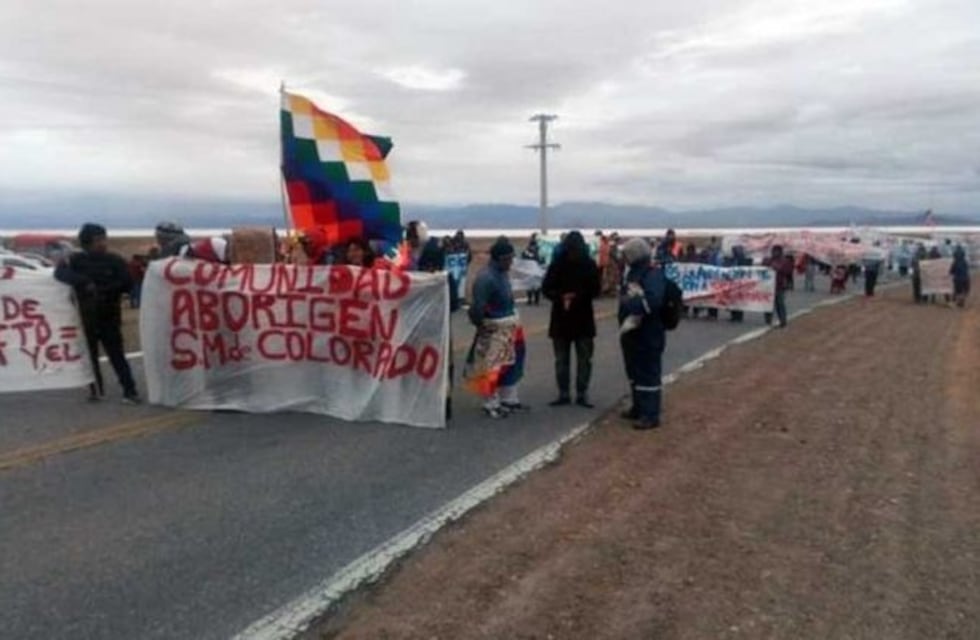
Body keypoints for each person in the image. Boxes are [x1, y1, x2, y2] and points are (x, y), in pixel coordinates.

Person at [55, 223, 140, 403]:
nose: (102, 243)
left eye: (103, 239)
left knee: (116, 355)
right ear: (86, 242)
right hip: (86, 317)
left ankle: (130, 390)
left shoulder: (114, 260)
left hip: (109, 315)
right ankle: (96, 390)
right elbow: (59, 273)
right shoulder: (75, 260)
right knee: (90, 356)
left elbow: (127, 282)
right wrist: (83, 282)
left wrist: (105, 290)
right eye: (97, 240)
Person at [464, 238, 526, 418]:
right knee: (491, 366)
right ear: (499, 259)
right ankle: (490, 402)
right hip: (494, 328)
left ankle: (508, 398)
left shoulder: (503, 274)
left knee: (512, 363)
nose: (511, 262)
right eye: (508, 259)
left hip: (510, 326)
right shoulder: (486, 278)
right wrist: (483, 325)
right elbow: (477, 308)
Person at [542, 231, 601, 408]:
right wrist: (564, 297)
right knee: (577, 359)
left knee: (565, 359)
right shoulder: (583, 264)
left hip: (567, 317)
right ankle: (576, 393)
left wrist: (566, 297)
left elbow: (547, 289)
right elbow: (596, 290)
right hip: (575, 317)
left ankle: (568, 393)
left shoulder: (562, 263)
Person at [618, 238, 667, 430]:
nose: (624, 257)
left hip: (648, 333)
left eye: (627, 253)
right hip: (632, 332)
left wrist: (629, 304)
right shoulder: (633, 274)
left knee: (648, 373)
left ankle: (650, 414)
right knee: (634, 372)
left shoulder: (652, 274)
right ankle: (638, 407)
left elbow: (653, 301)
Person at [763, 245, 793, 327]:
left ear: (780, 252)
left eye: (776, 251)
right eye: (773, 251)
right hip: (769, 286)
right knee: (768, 304)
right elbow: (763, 266)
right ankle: (768, 321)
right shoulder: (769, 260)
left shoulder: (784, 261)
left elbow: (788, 271)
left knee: (780, 304)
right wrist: (766, 262)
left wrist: (777, 268)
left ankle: (783, 321)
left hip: (779, 286)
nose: (774, 253)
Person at [521, 233, 543, 305]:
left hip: (528, 269)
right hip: (536, 268)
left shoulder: (526, 250)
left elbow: (523, 257)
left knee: (529, 285)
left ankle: (530, 299)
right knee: (536, 285)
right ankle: (536, 300)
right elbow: (542, 259)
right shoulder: (539, 250)